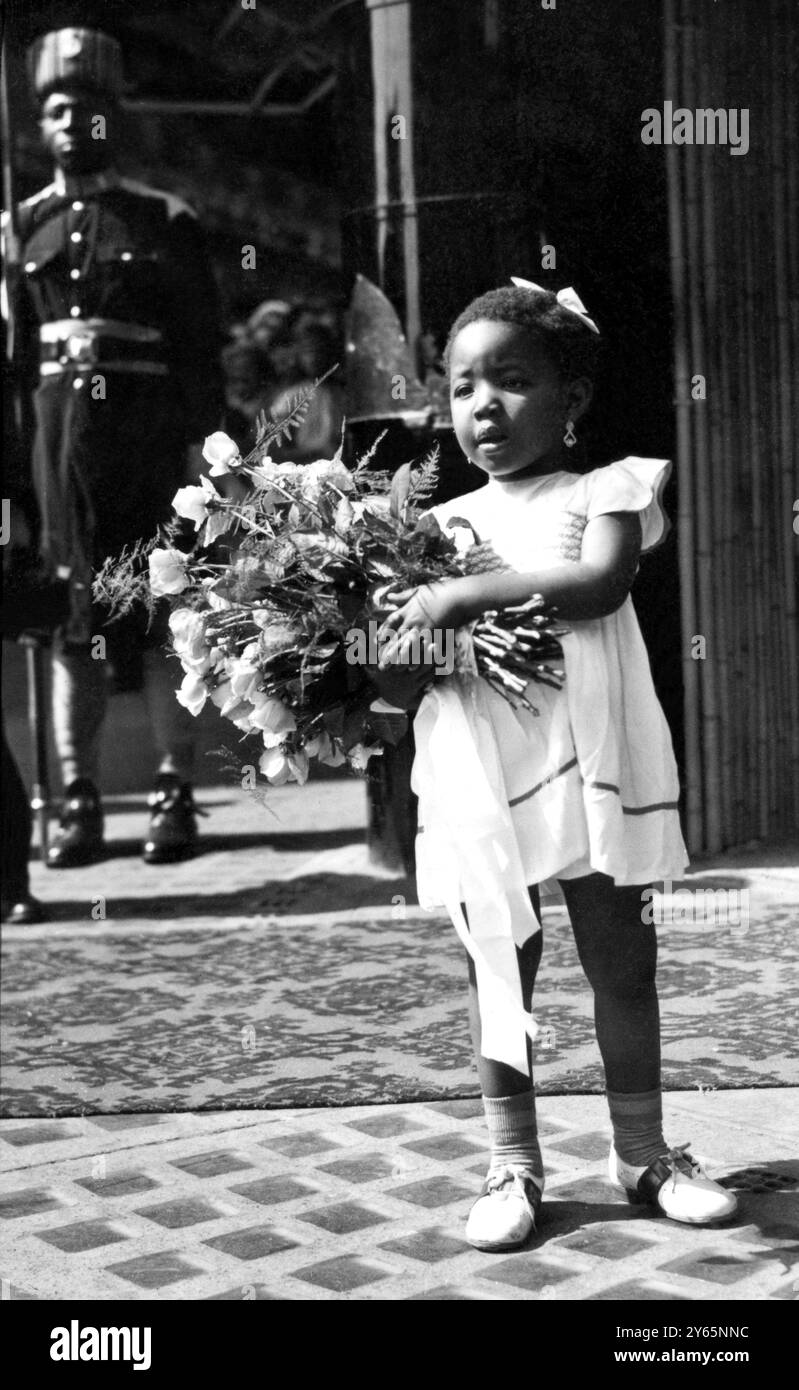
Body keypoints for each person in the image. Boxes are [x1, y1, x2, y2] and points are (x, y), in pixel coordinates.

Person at [375, 280, 737, 1251]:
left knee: (624, 964)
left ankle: (643, 1151)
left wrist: (464, 597)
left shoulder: (607, 488)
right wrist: (377, 661)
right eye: (461, 387)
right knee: (501, 968)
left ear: (571, 397)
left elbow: (594, 583)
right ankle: (512, 1163)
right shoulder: (433, 529)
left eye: (511, 379)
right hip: (487, 777)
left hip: (589, 763)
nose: (481, 405)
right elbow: (406, 674)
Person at [4, 26, 225, 867]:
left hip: (148, 438)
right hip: (58, 448)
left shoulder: (167, 219)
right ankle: (79, 803)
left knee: (168, 617)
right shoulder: (18, 228)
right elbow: (14, 366)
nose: (74, 124)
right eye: (59, 110)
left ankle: (174, 792)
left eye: (91, 109)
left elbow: (202, 356)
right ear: (40, 125)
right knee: (73, 624)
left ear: (114, 119)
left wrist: (207, 464)